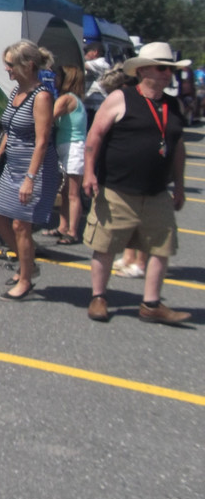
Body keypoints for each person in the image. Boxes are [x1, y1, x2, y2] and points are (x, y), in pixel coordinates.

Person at [82, 42, 192, 324]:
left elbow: (177, 147)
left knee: (160, 248)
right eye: (162, 68)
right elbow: (94, 137)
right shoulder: (121, 98)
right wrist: (89, 174)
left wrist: (178, 185)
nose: (167, 74)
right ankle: (98, 298)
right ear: (143, 69)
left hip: (156, 192)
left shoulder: (173, 105)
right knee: (105, 246)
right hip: (117, 189)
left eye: (170, 69)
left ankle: (151, 304)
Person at [0, 40, 60, 300]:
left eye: (10, 65)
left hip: (35, 169)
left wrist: (30, 178)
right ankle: (27, 264)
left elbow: (42, 141)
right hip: (14, 165)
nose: (7, 69)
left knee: (21, 225)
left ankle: (26, 279)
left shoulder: (41, 97)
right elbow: (11, 129)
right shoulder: (16, 92)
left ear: (28, 66)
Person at [49, 64, 87, 245]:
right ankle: (63, 226)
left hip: (74, 147)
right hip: (65, 146)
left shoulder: (66, 99)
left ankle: (73, 231)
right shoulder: (73, 99)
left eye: (56, 76)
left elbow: (49, 117)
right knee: (64, 192)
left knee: (72, 193)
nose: (54, 80)